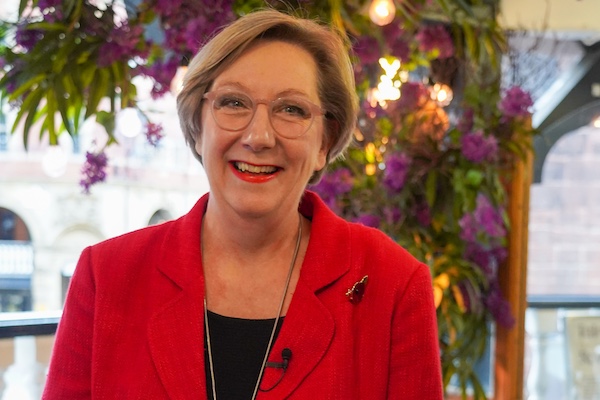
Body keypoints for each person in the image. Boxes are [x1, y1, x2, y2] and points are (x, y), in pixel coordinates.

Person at [42, 9, 443, 399]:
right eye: (234, 103)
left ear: (324, 141)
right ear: (198, 127)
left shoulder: (393, 284)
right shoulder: (106, 277)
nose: (259, 137)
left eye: (291, 109)